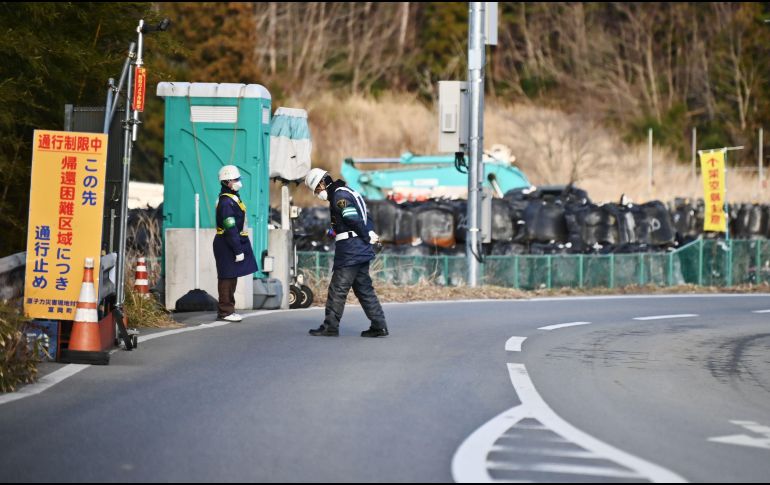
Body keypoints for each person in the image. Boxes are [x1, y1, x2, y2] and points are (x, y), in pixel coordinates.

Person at [304, 168, 389, 337]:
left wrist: (366, 236)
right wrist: (368, 234)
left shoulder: (339, 196)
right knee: (364, 289)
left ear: (322, 183)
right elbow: (364, 217)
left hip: (351, 250)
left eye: (316, 190)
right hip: (359, 248)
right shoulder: (348, 191)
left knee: (338, 289)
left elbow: (351, 218)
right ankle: (379, 326)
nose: (317, 194)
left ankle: (330, 326)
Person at [213, 165, 258, 322]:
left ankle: (229, 309)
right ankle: (225, 311)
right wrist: (238, 249)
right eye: (236, 179)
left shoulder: (232, 198)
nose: (239, 182)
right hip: (227, 242)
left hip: (232, 241)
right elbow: (230, 227)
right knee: (226, 276)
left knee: (232, 276)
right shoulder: (226, 202)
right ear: (227, 182)